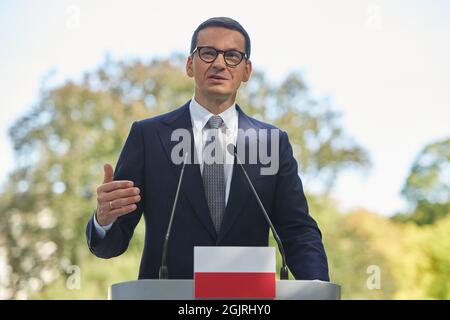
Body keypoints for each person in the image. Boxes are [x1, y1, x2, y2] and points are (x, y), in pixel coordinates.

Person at [86, 17, 329, 281]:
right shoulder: (148, 136)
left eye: (232, 55)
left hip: (246, 300)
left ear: (247, 70)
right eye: (208, 53)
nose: (219, 63)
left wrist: (317, 287)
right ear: (190, 65)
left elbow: (297, 230)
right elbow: (111, 244)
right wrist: (104, 221)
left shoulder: (272, 142)